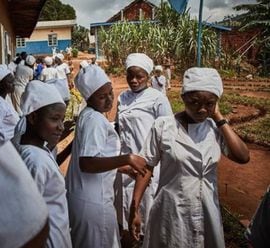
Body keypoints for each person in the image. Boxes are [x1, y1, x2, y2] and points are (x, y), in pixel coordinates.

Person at [129, 67, 250, 248]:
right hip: (171, 210)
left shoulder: (214, 129)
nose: (202, 109)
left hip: (206, 209)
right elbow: (146, 167)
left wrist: (219, 117)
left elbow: (243, 157)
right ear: (183, 98)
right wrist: (135, 208)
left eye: (209, 104)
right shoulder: (164, 126)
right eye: (194, 102)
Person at [65, 65, 147, 247]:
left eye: (110, 92)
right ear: (89, 98)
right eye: (102, 97)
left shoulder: (89, 115)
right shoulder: (94, 120)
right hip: (94, 202)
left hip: (83, 199)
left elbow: (97, 156)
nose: (109, 99)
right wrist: (127, 158)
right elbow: (87, 163)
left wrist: (123, 169)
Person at [114, 53, 173, 241]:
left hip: (148, 166)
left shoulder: (157, 99)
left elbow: (168, 133)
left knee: (148, 215)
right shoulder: (122, 97)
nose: (134, 80)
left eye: (139, 76)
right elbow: (118, 127)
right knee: (125, 213)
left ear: (148, 76)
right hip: (126, 163)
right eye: (130, 75)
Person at [14, 81, 72, 247]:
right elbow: (28, 218)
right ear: (33, 117)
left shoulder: (33, 148)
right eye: (54, 119)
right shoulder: (35, 160)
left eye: (62, 119)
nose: (61, 127)